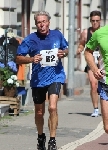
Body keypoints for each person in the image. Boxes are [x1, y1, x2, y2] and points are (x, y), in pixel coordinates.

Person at [16, 11, 68, 150]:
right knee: (39, 112)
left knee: (52, 107)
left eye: (44, 21)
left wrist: (63, 53)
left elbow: (66, 48)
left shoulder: (57, 35)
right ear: (36, 24)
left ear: (49, 22)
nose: (42, 25)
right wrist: (32, 59)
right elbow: (18, 57)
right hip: (38, 79)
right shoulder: (31, 39)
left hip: (55, 76)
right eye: (39, 22)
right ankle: (41, 136)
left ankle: (52, 139)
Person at [77, 10, 101, 117]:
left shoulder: (105, 31)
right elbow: (81, 44)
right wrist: (79, 49)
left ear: (100, 20)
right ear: (90, 21)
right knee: (93, 84)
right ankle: (96, 109)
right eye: (93, 21)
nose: (95, 23)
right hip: (92, 61)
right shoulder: (85, 33)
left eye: (97, 20)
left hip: (104, 61)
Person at [84, 24, 108, 135]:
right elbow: (88, 52)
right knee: (107, 127)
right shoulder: (100, 33)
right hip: (105, 83)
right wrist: (94, 69)